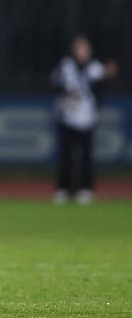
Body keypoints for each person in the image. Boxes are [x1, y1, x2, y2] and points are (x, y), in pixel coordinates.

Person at [50, 35, 118, 204]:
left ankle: (86, 189)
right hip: (67, 116)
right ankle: (63, 189)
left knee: (86, 155)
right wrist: (64, 93)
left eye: (84, 49)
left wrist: (108, 76)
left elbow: (103, 87)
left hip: (87, 117)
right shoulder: (66, 65)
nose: (81, 52)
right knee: (66, 155)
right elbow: (54, 83)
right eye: (78, 48)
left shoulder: (95, 68)